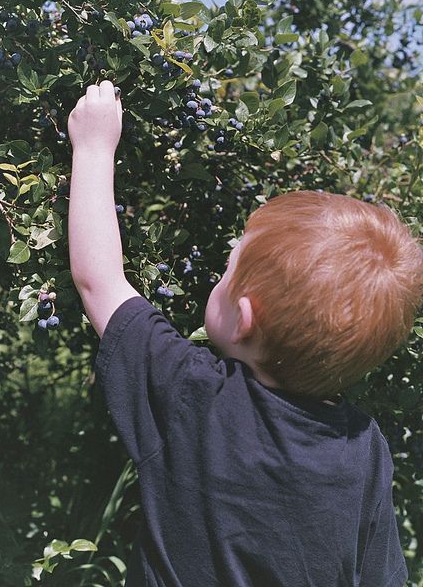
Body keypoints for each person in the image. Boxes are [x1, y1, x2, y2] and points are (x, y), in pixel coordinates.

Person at [68, 80, 422, 586]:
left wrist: (94, 146)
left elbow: (98, 280)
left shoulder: (194, 396)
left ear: (244, 318)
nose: (221, 271)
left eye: (229, 267)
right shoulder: (364, 448)